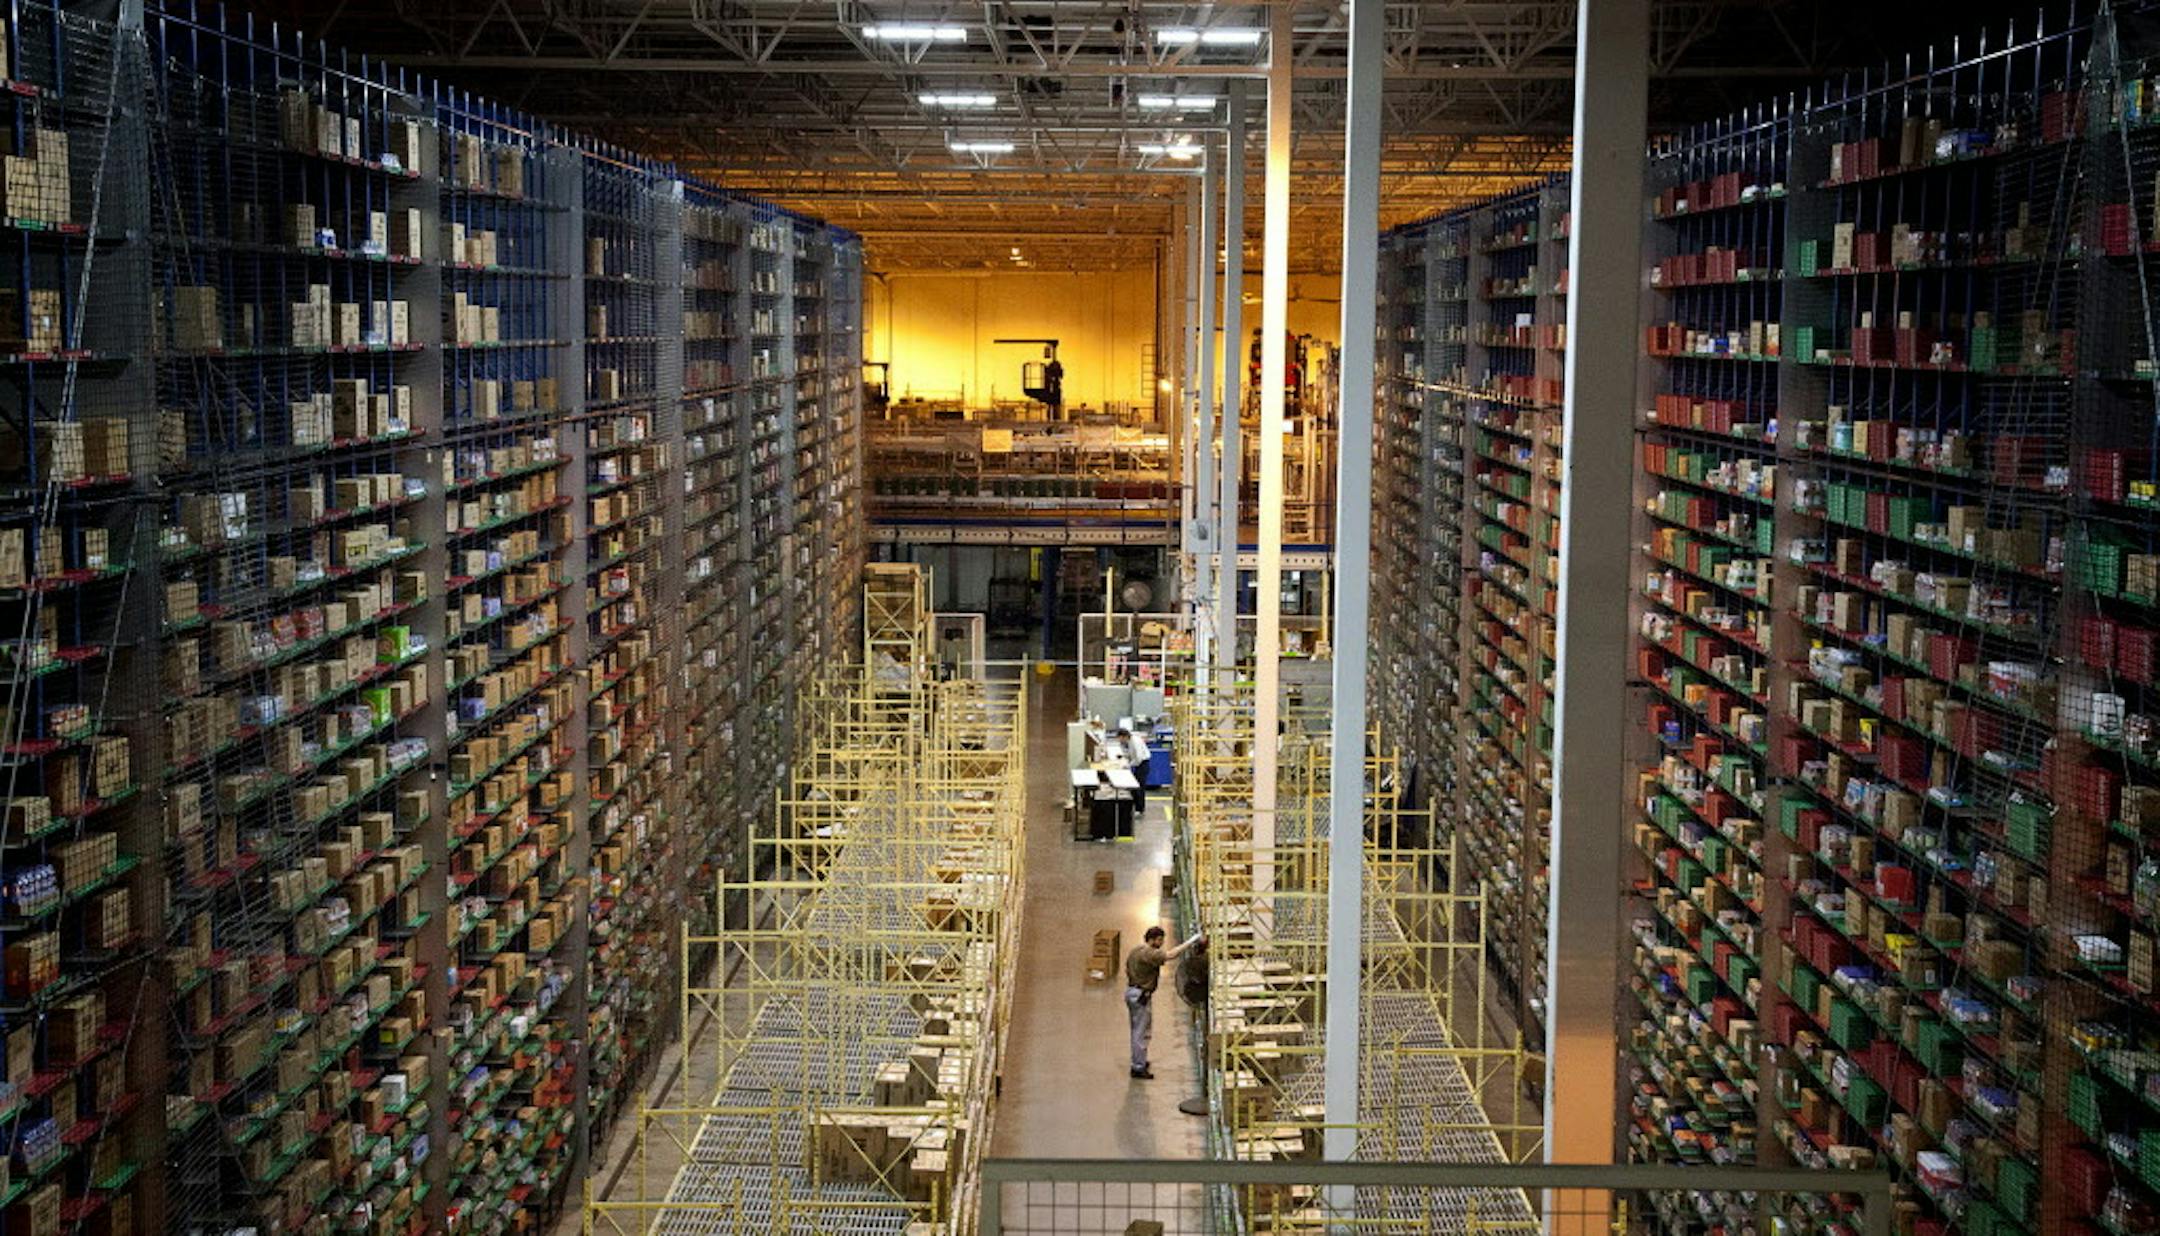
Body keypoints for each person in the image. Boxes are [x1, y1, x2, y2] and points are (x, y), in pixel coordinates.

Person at [1124, 926, 1202, 1079]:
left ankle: (1139, 1061)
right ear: (1152, 939)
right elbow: (1171, 954)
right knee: (1141, 1033)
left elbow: (1127, 969)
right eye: (1160, 940)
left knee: (1137, 1030)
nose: (1161, 943)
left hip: (1133, 992)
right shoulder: (1148, 953)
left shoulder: (1136, 951)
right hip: (1141, 995)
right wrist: (1192, 941)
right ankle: (1138, 1068)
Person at [1118, 724, 1150, 816]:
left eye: (1120, 738)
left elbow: (1138, 758)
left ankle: (1140, 809)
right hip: (1138, 764)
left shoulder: (1135, 742)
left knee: (1139, 787)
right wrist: (1124, 756)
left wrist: (1128, 765)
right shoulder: (1130, 741)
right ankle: (1135, 806)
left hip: (1142, 764)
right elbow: (1132, 754)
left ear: (1124, 736)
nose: (1120, 741)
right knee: (1135, 787)